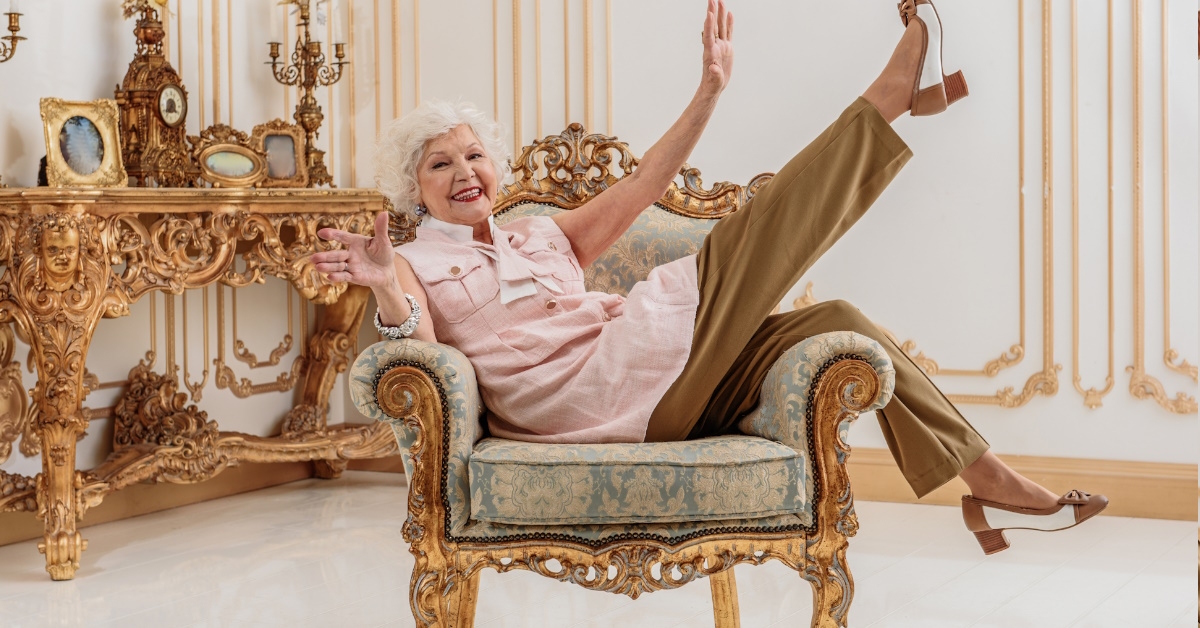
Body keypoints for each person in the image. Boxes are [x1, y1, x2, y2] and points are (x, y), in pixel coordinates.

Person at [314, 0, 1106, 554]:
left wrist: (710, 91)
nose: (462, 171)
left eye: (473, 154)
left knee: (839, 320)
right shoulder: (416, 262)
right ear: (413, 188)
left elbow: (644, 185)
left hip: (663, 376)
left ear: (495, 164)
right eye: (437, 165)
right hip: (598, 396)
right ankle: (890, 99)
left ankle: (985, 476)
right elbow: (417, 348)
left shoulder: (539, 234)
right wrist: (384, 285)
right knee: (756, 230)